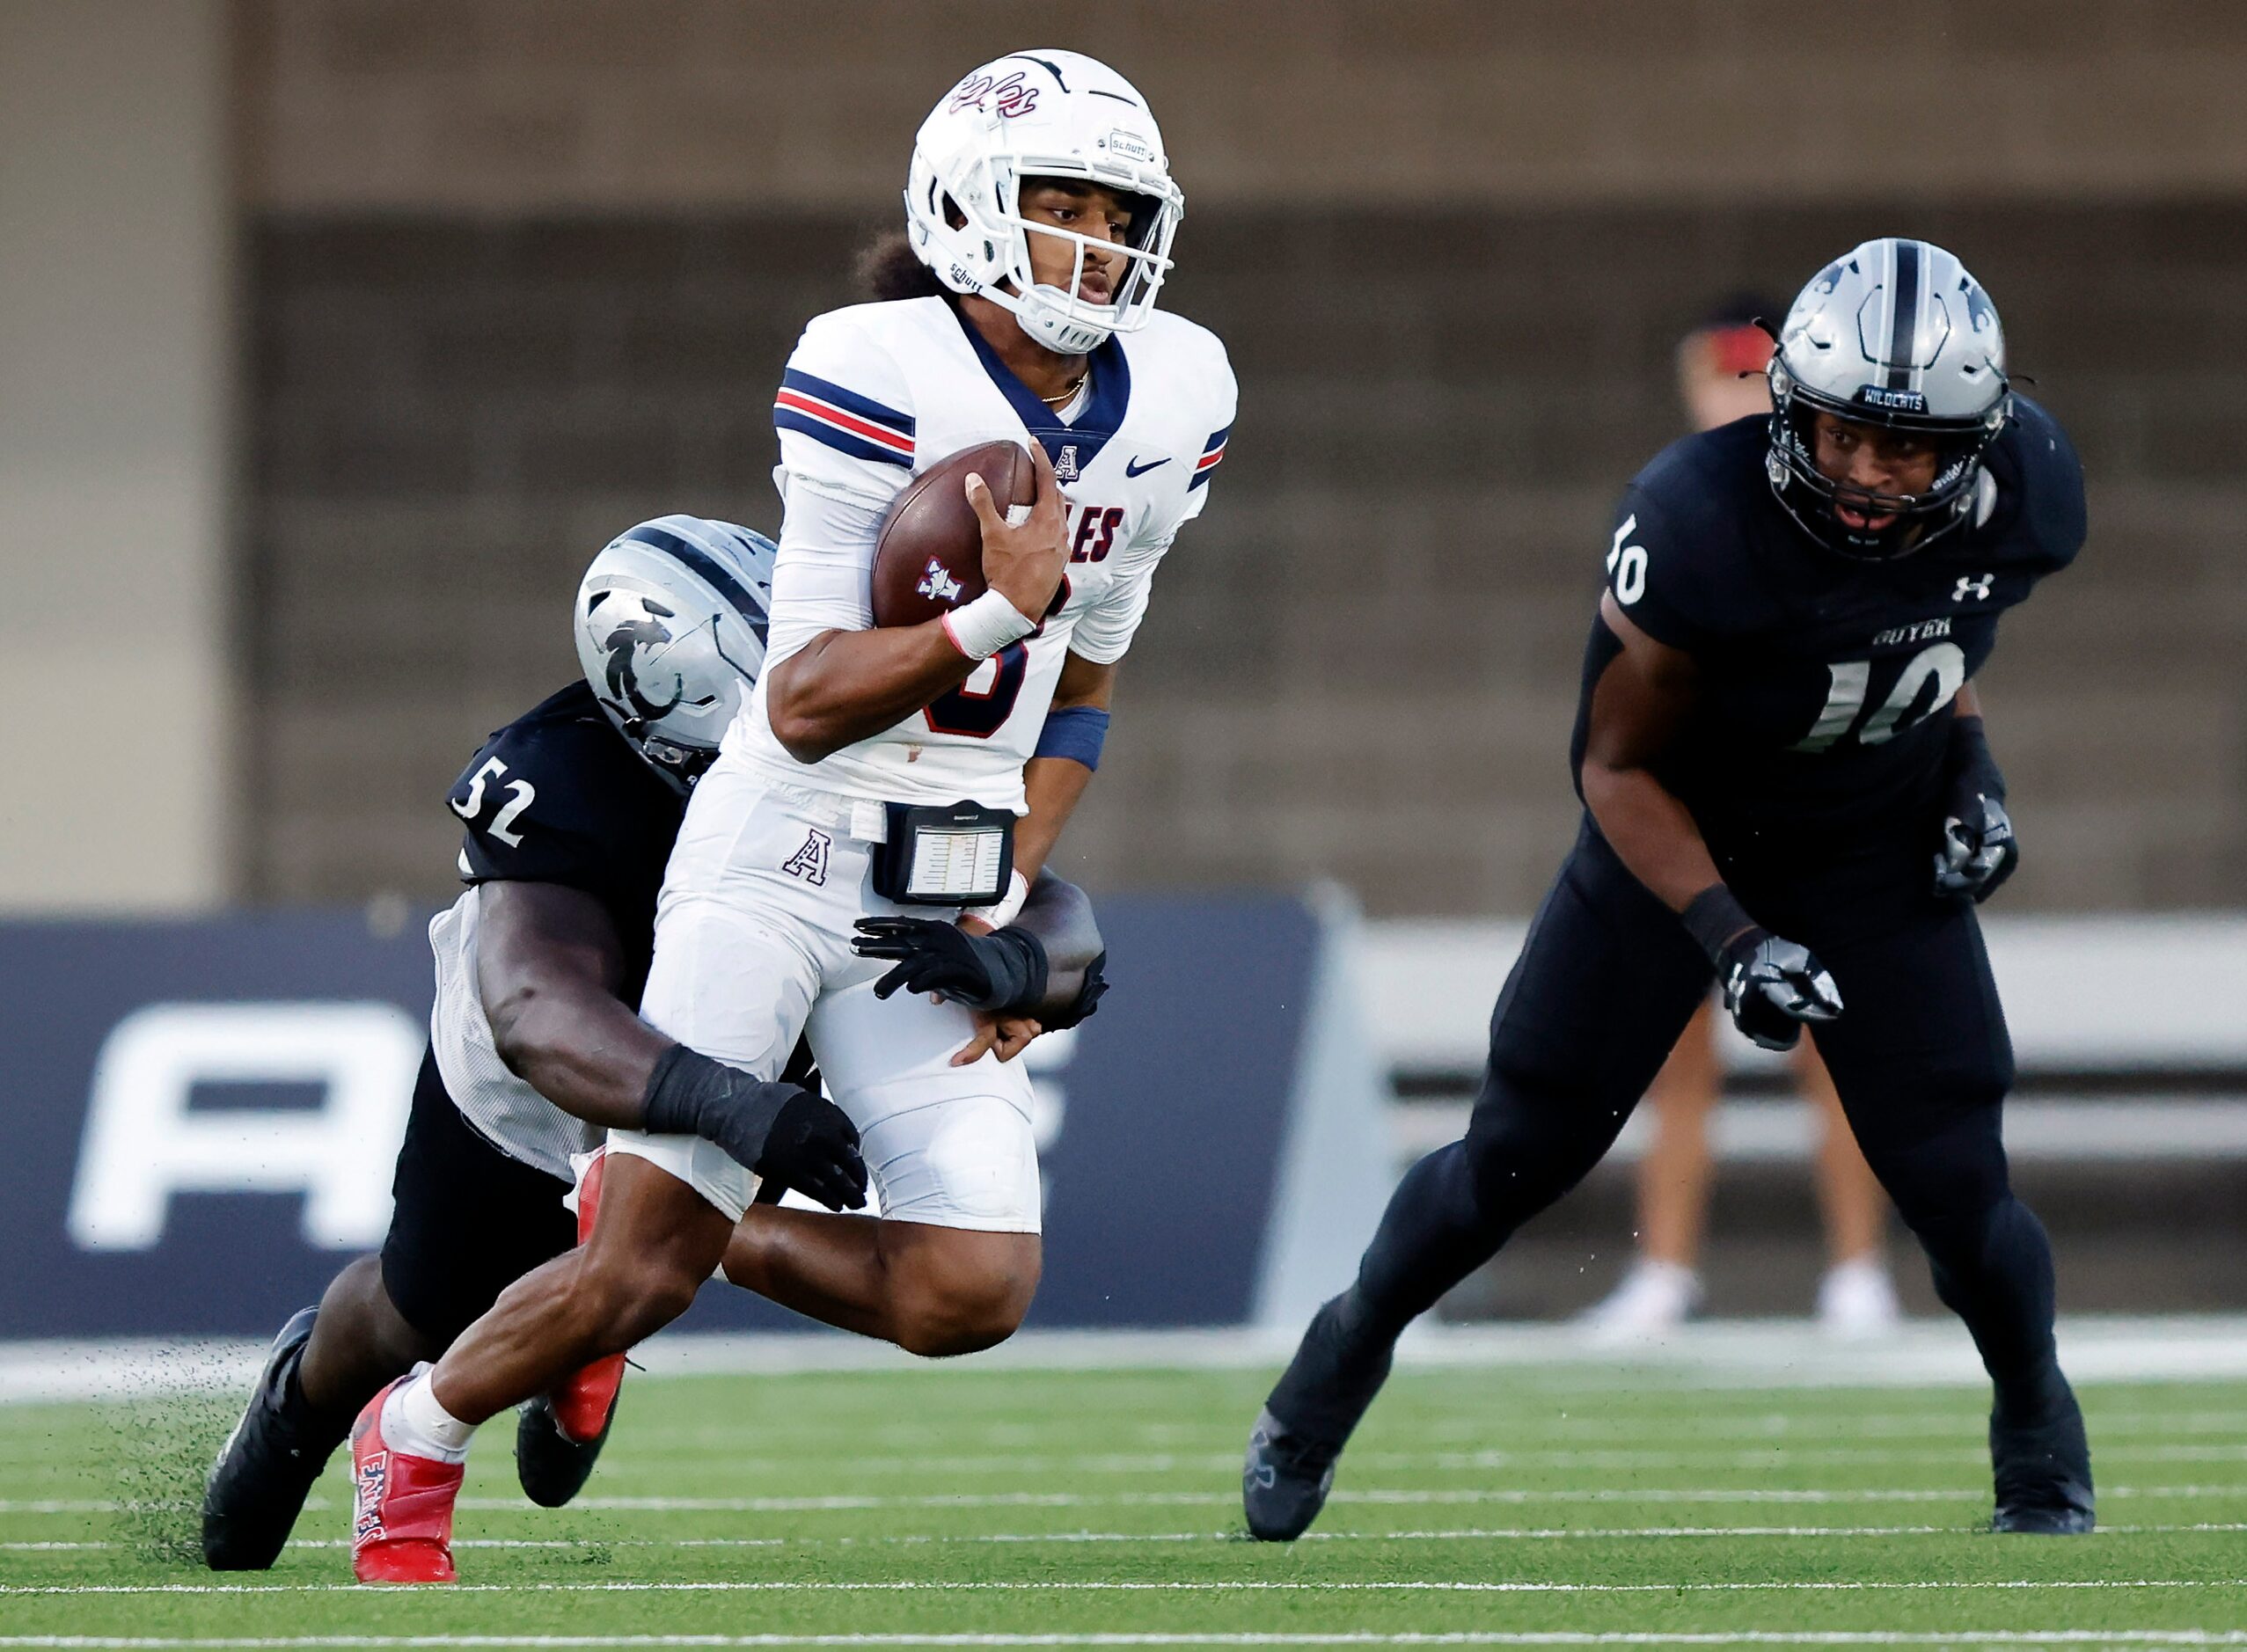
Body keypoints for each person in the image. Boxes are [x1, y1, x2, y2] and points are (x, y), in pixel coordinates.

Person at [346, 48, 1234, 1586]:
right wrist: (984, 620)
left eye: (1116, 211)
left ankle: (680, 1219)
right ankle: (415, 1430)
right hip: (780, 845)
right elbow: (805, 697)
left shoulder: (1179, 392)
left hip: (933, 867)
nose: (1093, 245)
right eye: (1057, 204)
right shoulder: (874, 359)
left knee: (971, 1285)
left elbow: (1082, 684)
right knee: (632, 1267)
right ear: (965, 206)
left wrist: (1010, 885)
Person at [1246, 238, 2093, 1541]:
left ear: (1976, 441)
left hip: (1870, 838)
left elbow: (1930, 636)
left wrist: (1970, 769)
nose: (1869, 474)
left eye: (1908, 447)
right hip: (1680, 836)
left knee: (1957, 1184)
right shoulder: (1694, 516)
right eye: (1840, 434)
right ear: (1784, 408)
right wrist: (1730, 933)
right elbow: (1613, 763)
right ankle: (1340, 1355)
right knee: (1515, 1160)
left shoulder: (2029, 488)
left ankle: (2037, 1429)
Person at [201, 518, 1104, 1571]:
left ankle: (609, 1290)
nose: (821, 725)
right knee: (430, 1308)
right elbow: (538, 1012)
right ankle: (297, 1409)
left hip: (769, 1020)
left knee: (650, 1259)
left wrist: (1021, 963)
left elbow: (1055, 914)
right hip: (556, 1081)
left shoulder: (872, 734)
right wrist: (725, 1101)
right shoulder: (562, 776)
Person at [1580, 296, 1899, 1341]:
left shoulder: (1840, 509)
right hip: (1693, 811)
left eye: (1747, 374)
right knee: (1669, 1051)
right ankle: (1664, 1273)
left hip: (1809, 812)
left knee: (1833, 1046)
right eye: (1711, 374)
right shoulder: (1672, 510)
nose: (1728, 394)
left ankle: (1859, 1273)